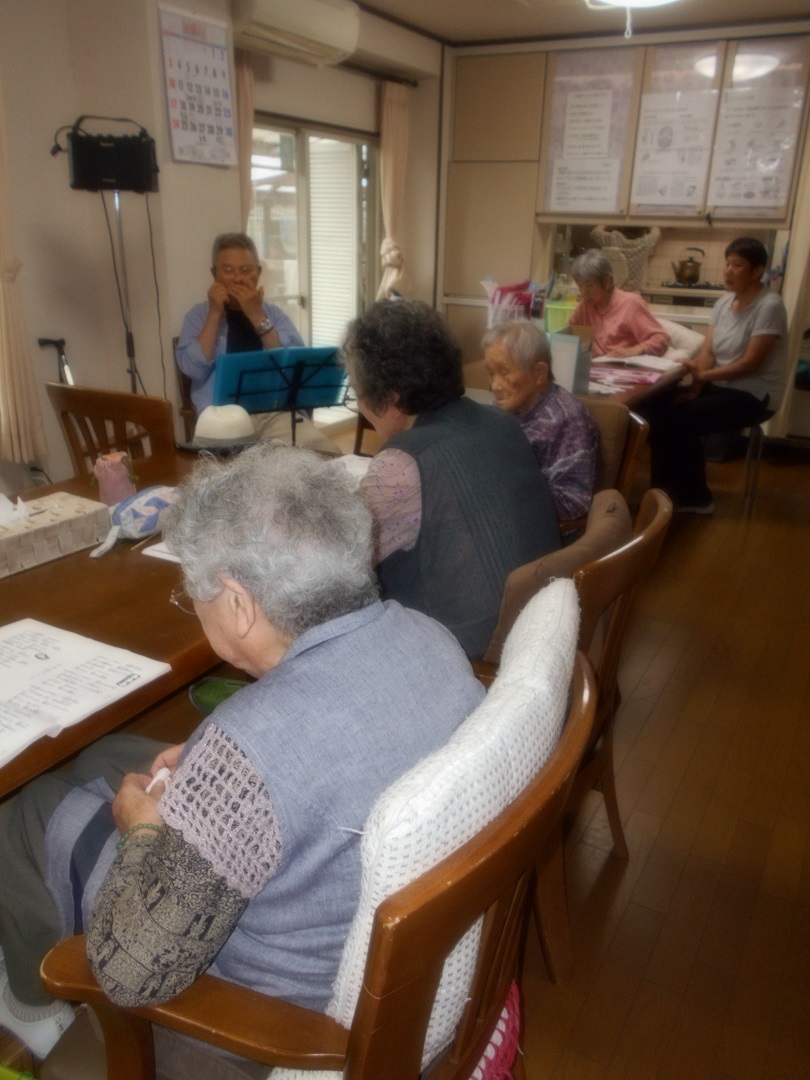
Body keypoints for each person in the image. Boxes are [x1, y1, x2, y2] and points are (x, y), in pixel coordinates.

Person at [0, 444, 484, 1059]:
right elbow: (307, 753)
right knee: (110, 755)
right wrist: (218, 763)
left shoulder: (247, 752)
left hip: (268, 1023)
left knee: (31, 806)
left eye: (192, 593)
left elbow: (131, 971)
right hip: (368, 925)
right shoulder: (431, 637)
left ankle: (31, 1006)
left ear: (238, 603)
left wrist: (143, 831)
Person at [342, 299, 561, 659]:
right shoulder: (502, 423)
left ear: (391, 400)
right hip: (536, 628)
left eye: (357, 395)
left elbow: (339, 559)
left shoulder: (402, 465)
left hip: (464, 655)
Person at [636, 237, 788, 513]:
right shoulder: (723, 304)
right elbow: (708, 351)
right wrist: (695, 388)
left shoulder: (770, 305)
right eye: (727, 264)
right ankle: (663, 492)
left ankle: (695, 499)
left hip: (754, 394)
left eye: (737, 265)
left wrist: (703, 375)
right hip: (721, 386)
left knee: (681, 419)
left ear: (757, 271)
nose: (728, 270)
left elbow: (752, 363)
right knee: (656, 407)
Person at [175, 232, 339, 454]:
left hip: (274, 414)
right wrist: (214, 313)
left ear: (258, 273)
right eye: (228, 270)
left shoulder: (274, 314)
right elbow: (192, 369)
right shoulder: (197, 316)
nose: (237, 278)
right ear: (214, 274)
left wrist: (256, 316)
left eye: (245, 270)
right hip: (221, 420)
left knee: (327, 454)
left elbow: (295, 368)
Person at [482, 319, 598, 520]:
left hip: (535, 526)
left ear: (539, 373)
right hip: (501, 513)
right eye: (491, 374)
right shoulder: (506, 408)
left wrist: (499, 494)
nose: (495, 386)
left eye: (504, 372)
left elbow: (574, 501)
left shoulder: (568, 420)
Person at [569, 249, 669, 359]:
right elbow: (567, 335)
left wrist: (637, 349)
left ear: (606, 282)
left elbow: (661, 338)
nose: (583, 293)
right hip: (596, 366)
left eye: (589, 286)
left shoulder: (631, 304)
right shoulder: (585, 306)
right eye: (580, 286)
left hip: (625, 366)